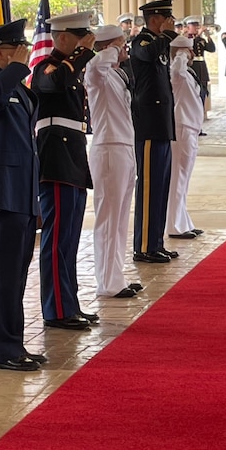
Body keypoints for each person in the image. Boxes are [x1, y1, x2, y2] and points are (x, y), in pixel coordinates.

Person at [0, 19, 43, 372]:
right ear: (1, 53)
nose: (26, 54)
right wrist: (14, 69)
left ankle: (15, 344)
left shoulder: (18, 87)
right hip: (4, 192)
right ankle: (1, 350)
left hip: (24, 191)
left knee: (17, 273)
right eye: (18, 50)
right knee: (3, 275)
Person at [31, 11, 98, 330]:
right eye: (79, 37)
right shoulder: (45, 67)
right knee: (57, 239)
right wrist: (83, 53)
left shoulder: (69, 66)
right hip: (55, 158)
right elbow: (56, 82)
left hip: (71, 156)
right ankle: (56, 309)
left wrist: (81, 53)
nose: (85, 42)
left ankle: (68, 303)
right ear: (60, 38)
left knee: (69, 238)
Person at [84, 25, 144, 298]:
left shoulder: (116, 75)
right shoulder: (98, 73)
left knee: (120, 218)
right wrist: (110, 48)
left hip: (123, 147)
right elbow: (96, 67)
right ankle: (107, 282)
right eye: (122, 44)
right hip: (108, 148)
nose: (126, 49)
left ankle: (115, 276)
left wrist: (115, 48)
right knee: (108, 218)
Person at [130, 0, 180, 264]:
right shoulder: (142, 42)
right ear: (154, 19)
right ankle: (145, 246)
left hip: (161, 125)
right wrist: (169, 34)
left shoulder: (159, 43)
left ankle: (156, 242)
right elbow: (147, 55)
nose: (171, 23)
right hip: (148, 125)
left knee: (161, 186)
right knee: (149, 187)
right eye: (166, 18)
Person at [166, 35, 204, 240]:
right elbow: (176, 69)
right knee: (178, 179)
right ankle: (174, 225)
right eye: (189, 50)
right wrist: (179, 54)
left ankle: (183, 221)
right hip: (182, 127)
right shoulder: (177, 72)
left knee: (184, 179)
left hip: (190, 127)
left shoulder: (187, 73)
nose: (192, 54)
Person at [184, 15, 215, 127]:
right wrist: (199, 35)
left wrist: (208, 36)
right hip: (193, 69)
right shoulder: (186, 39)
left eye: (197, 25)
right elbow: (191, 45)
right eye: (194, 25)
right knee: (193, 97)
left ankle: (199, 124)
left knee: (202, 95)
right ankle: (193, 123)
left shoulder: (201, 39)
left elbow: (212, 49)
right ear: (187, 27)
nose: (197, 27)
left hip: (202, 69)